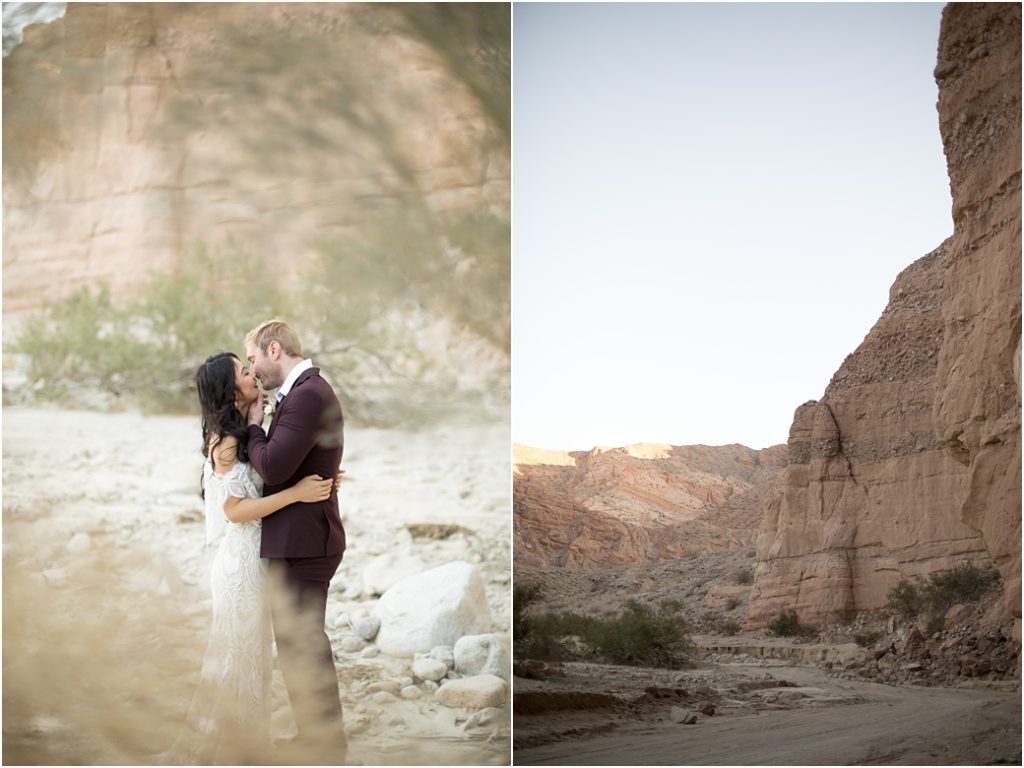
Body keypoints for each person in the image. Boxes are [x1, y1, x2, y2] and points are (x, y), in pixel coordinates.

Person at [169, 351, 334, 764]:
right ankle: (231, 750)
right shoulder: (225, 440)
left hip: (256, 562)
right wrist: (295, 495)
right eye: (244, 372)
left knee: (250, 661)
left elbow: (270, 468)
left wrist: (260, 423)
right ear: (232, 388)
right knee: (236, 660)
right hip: (241, 565)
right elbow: (235, 511)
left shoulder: (242, 429)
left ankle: (247, 747)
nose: (252, 373)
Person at [244, 318, 348, 760]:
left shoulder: (307, 395)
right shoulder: (303, 393)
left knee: (305, 644)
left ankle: (326, 747)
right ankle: (317, 739)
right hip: (298, 539)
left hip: (306, 543)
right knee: (295, 646)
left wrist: (252, 426)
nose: (252, 371)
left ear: (273, 349)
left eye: (252, 359)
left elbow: (273, 467)